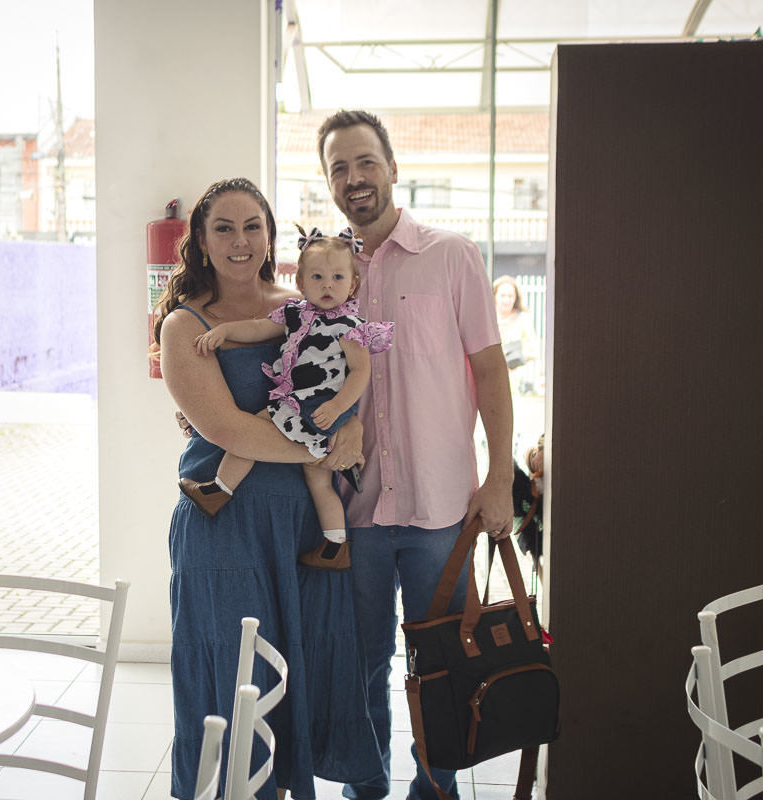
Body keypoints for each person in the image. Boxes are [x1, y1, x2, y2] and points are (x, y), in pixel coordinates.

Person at [154, 177, 384, 800]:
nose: (239, 241)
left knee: (291, 680)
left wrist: (353, 425)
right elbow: (230, 430)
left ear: (270, 235)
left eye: (252, 226)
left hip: (299, 527)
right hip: (222, 526)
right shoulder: (183, 325)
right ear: (199, 241)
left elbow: (340, 387)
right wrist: (327, 445)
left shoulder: (304, 306)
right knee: (229, 684)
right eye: (223, 228)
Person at [315, 110, 515, 800]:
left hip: (441, 508)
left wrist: (499, 478)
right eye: (339, 168)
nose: (354, 178)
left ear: (393, 167)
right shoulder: (325, 275)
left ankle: (437, 791)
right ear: (329, 183)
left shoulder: (451, 254)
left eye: (365, 162)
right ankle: (365, 788)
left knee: (442, 668)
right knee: (363, 666)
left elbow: (490, 371)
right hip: (359, 510)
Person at [178, 225, 394, 570]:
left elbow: (360, 373)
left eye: (338, 277)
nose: (327, 285)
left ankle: (219, 490)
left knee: (248, 435)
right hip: (306, 405)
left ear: (353, 284)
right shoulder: (296, 314)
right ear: (301, 283)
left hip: (316, 407)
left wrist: (339, 407)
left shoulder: (350, 327)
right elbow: (258, 328)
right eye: (318, 277)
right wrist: (225, 331)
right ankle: (335, 544)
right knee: (318, 479)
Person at [492, 275, 542, 396]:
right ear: (494, 296)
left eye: (510, 296)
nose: (506, 300)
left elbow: (533, 348)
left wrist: (513, 359)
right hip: (490, 377)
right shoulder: (488, 318)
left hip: (515, 382)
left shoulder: (524, 318)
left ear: (516, 298)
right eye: (503, 296)